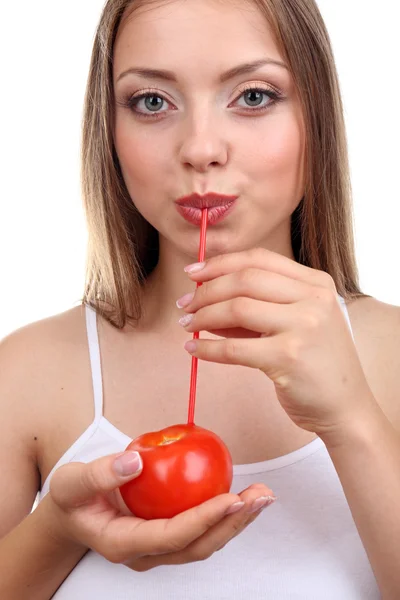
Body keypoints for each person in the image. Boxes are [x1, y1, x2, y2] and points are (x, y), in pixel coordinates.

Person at [0, 0, 399, 597]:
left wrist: (352, 422)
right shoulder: (27, 372)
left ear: (317, 113)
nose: (201, 148)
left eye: (255, 96)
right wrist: (59, 527)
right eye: (152, 102)